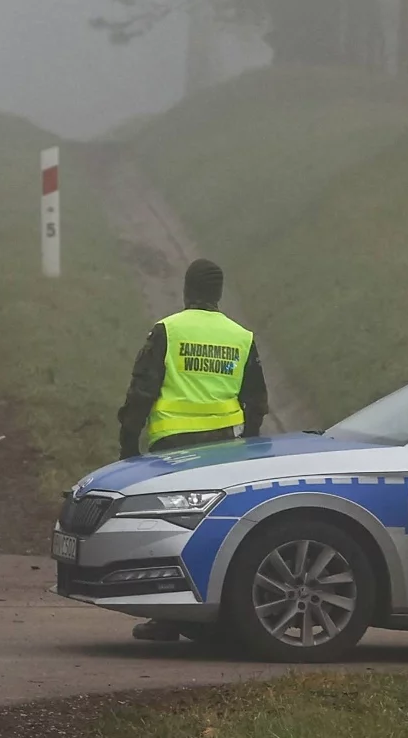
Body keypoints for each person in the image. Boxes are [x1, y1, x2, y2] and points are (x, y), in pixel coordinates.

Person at [118, 257, 268, 641]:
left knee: (169, 531)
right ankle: (219, 615)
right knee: (217, 529)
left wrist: (128, 442)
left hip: (173, 445)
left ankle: (168, 616)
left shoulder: (168, 330)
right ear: (218, 293)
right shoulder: (241, 336)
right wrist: (249, 443)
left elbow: (142, 389)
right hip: (227, 445)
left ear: (187, 290)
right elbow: (257, 400)